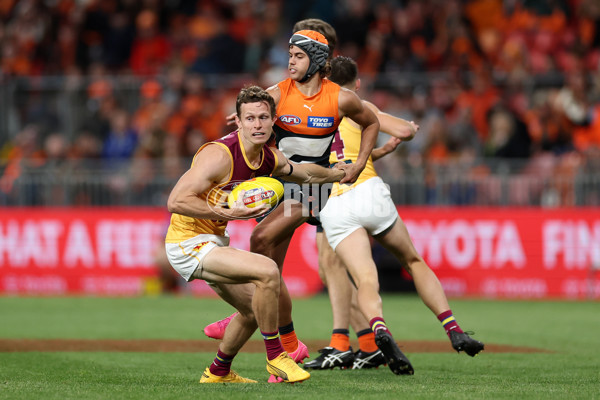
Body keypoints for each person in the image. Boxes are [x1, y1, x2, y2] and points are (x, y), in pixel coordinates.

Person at [204, 26, 380, 368]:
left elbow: (371, 123)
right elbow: (256, 118)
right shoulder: (277, 94)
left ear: (315, 60)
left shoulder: (340, 97)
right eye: (289, 55)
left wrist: (359, 164)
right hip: (280, 185)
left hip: (314, 187)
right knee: (269, 269)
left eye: (298, 56)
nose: (290, 62)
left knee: (259, 238)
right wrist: (244, 121)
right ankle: (264, 322)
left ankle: (264, 325)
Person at [304, 56, 485, 374]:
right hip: (369, 192)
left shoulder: (307, 115)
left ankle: (379, 329)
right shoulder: (360, 105)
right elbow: (403, 130)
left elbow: (330, 156)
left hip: (335, 201)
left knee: (365, 279)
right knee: (413, 261)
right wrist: (410, 130)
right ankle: (453, 328)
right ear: (356, 84)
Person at [165, 85, 347, 383]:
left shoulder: (267, 158)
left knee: (254, 312)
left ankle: (218, 372)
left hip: (212, 243)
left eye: (263, 117)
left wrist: (339, 174)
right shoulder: (219, 155)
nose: (257, 124)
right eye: (249, 118)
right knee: (268, 271)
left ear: (273, 119)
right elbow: (176, 201)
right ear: (237, 122)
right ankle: (277, 357)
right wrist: (227, 213)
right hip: (187, 245)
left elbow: (306, 173)